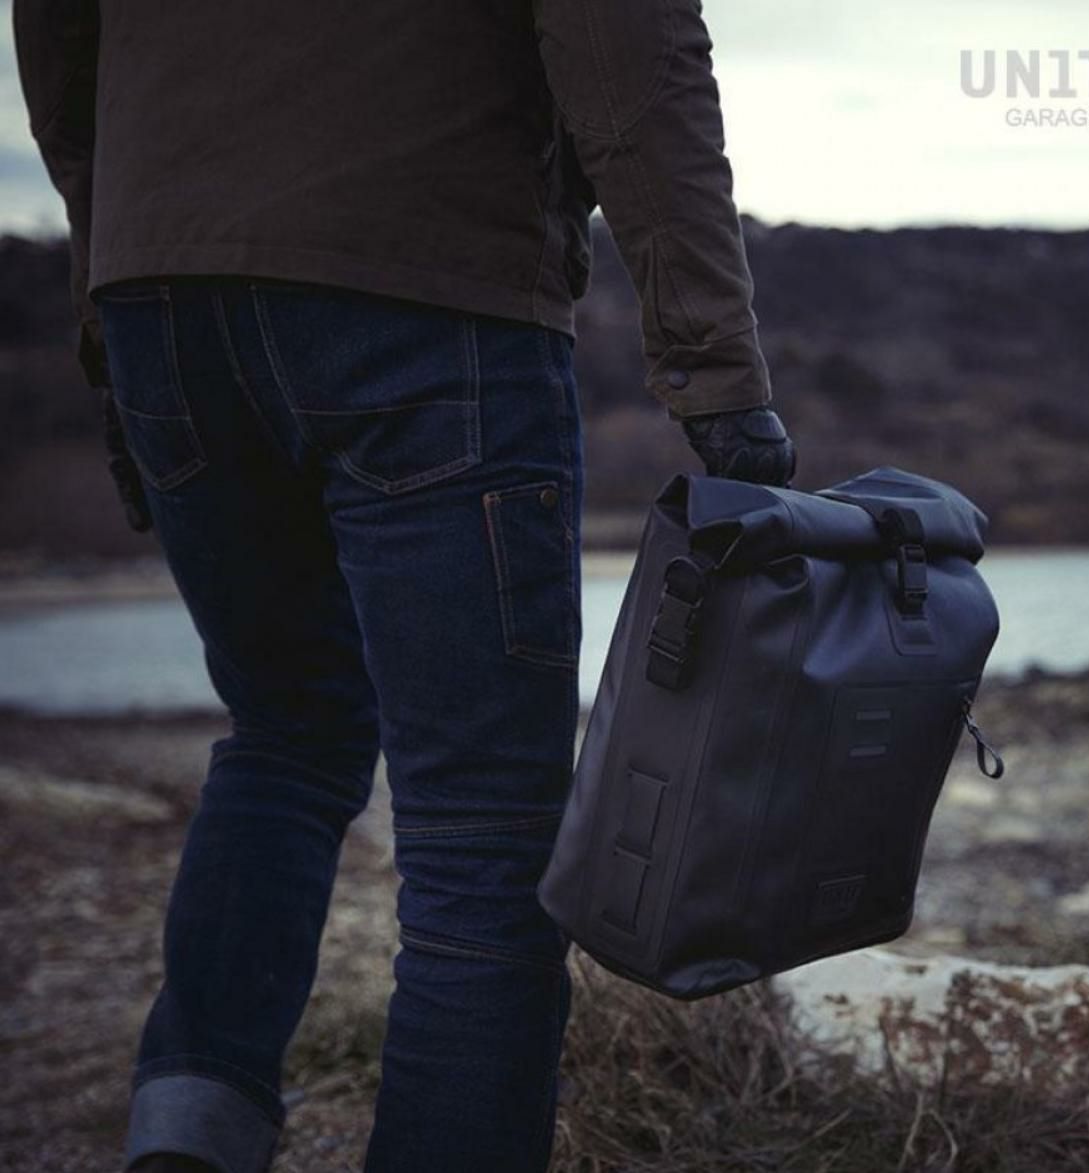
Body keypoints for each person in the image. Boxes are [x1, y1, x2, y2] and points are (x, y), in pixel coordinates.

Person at [13, 1, 798, 1170]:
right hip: (429, 283)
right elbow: (631, 44)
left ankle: (185, 1145)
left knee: (285, 732)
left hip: (164, 290)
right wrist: (716, 369)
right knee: (484, 838)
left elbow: (58, 49)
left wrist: (107, 298)